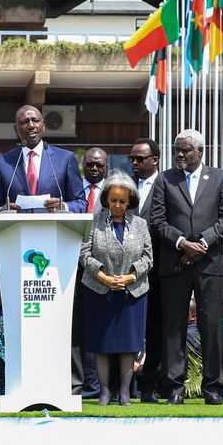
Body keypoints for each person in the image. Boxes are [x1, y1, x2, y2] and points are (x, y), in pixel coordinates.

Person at [147, 129, 223, 405]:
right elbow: (157, 220)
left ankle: (213, 387)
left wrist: (202, 244)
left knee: (211, 326)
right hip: (175, 262)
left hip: (210, 263)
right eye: (177, 150)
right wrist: (183, 243)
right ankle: (174, 387)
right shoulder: (165, 179)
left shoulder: (220, 177)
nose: (180, 155)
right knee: (174, 326)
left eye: (185, 150)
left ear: (200, 151)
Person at [80, 172, 154, 406]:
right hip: (99, 291)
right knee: (101, 345)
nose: (118, 205)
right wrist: (103, 277)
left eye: (123, 201)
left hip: (132, 292)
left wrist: (131, 277)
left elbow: (148, 257)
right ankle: (103, 392)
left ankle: (124, 393)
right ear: (106, 200)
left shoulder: (141, 224)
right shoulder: (93, 221)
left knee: (128, 345)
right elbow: (84, 254)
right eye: (114, 200)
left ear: (130, 201)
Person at [0, 105, 87, 213]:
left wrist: (64, 207)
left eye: (35, 120)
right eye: (24, 122)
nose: (31, 126)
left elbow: (81, 204)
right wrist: (1, 210)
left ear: (43, 125)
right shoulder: (1, 164)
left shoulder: (65, 159)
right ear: (16, 129)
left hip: (53, 227)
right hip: (16, 228)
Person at [128, 138, 162, 400]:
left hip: (160, 267)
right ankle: (125, 386)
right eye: (132, 159)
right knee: (129, 328)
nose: (135, 163)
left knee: (157, 328)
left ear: (155, 160)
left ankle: (151, 383)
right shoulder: (125, 186)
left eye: (140, 159)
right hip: (126, 269)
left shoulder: (169, 184)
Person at [74, 147, 109, 397]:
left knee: (102, 327)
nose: (94, 169)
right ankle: (80, 384)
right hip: (72, 266)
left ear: (106, 167)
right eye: (90, 164)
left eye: (99, 165)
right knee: (77, 327)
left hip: (105, 269)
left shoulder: (115, 192)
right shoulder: (72, 190)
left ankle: (103, 385)